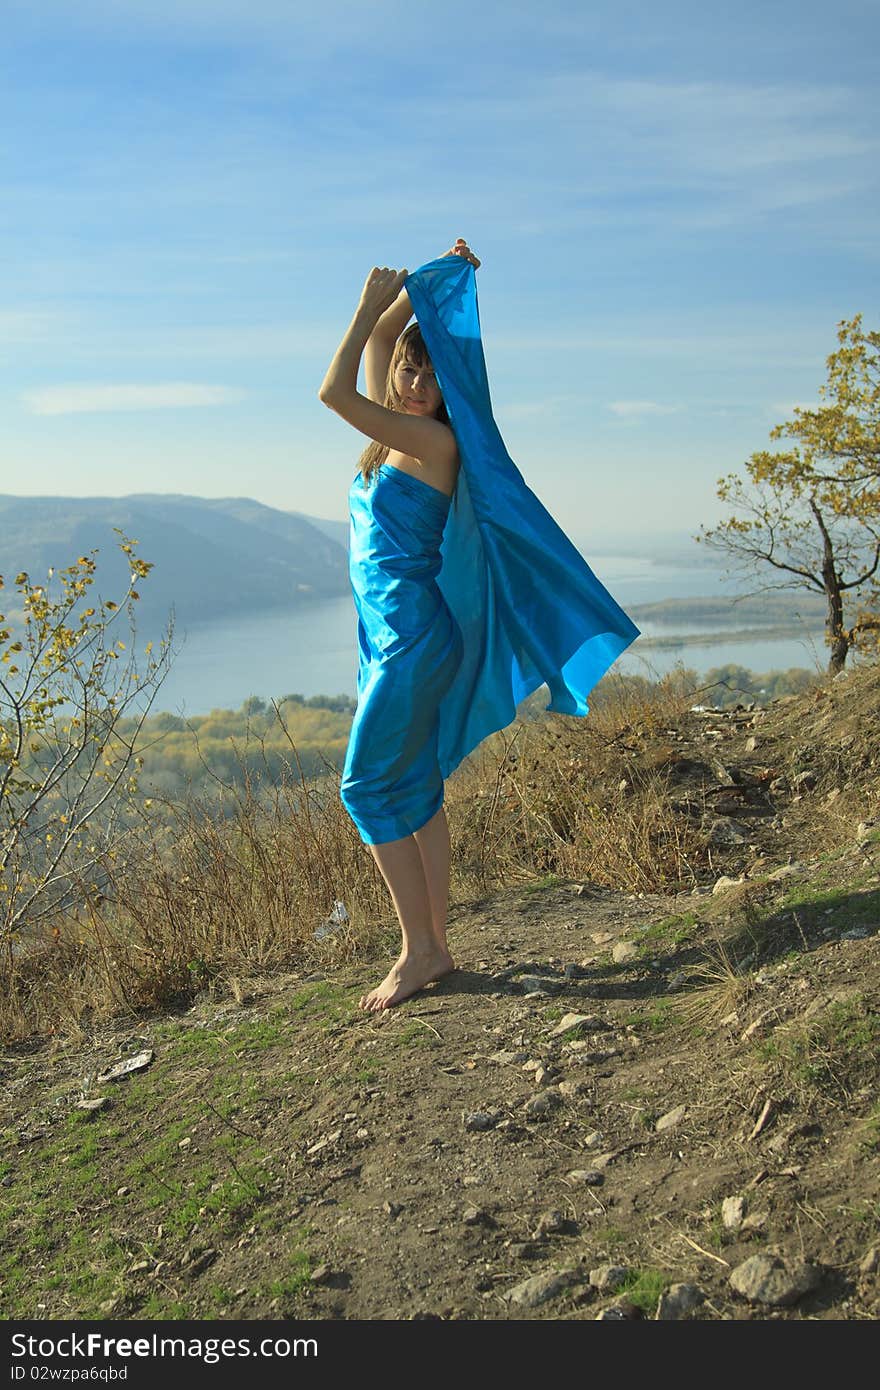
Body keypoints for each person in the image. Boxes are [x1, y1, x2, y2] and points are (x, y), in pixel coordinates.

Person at [319, 238, 481, 1013]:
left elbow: (331, 392)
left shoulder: (433, 440)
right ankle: (437, 947)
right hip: (393, 638)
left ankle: (419, 950)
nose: (416, 381)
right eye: (408, 370)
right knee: (413, 789)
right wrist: (425, 280)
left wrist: (360, 310)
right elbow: (390, 342)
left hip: (411, 640)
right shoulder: (391, 435)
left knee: (364, 786)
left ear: (450, 391)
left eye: (430, 374)